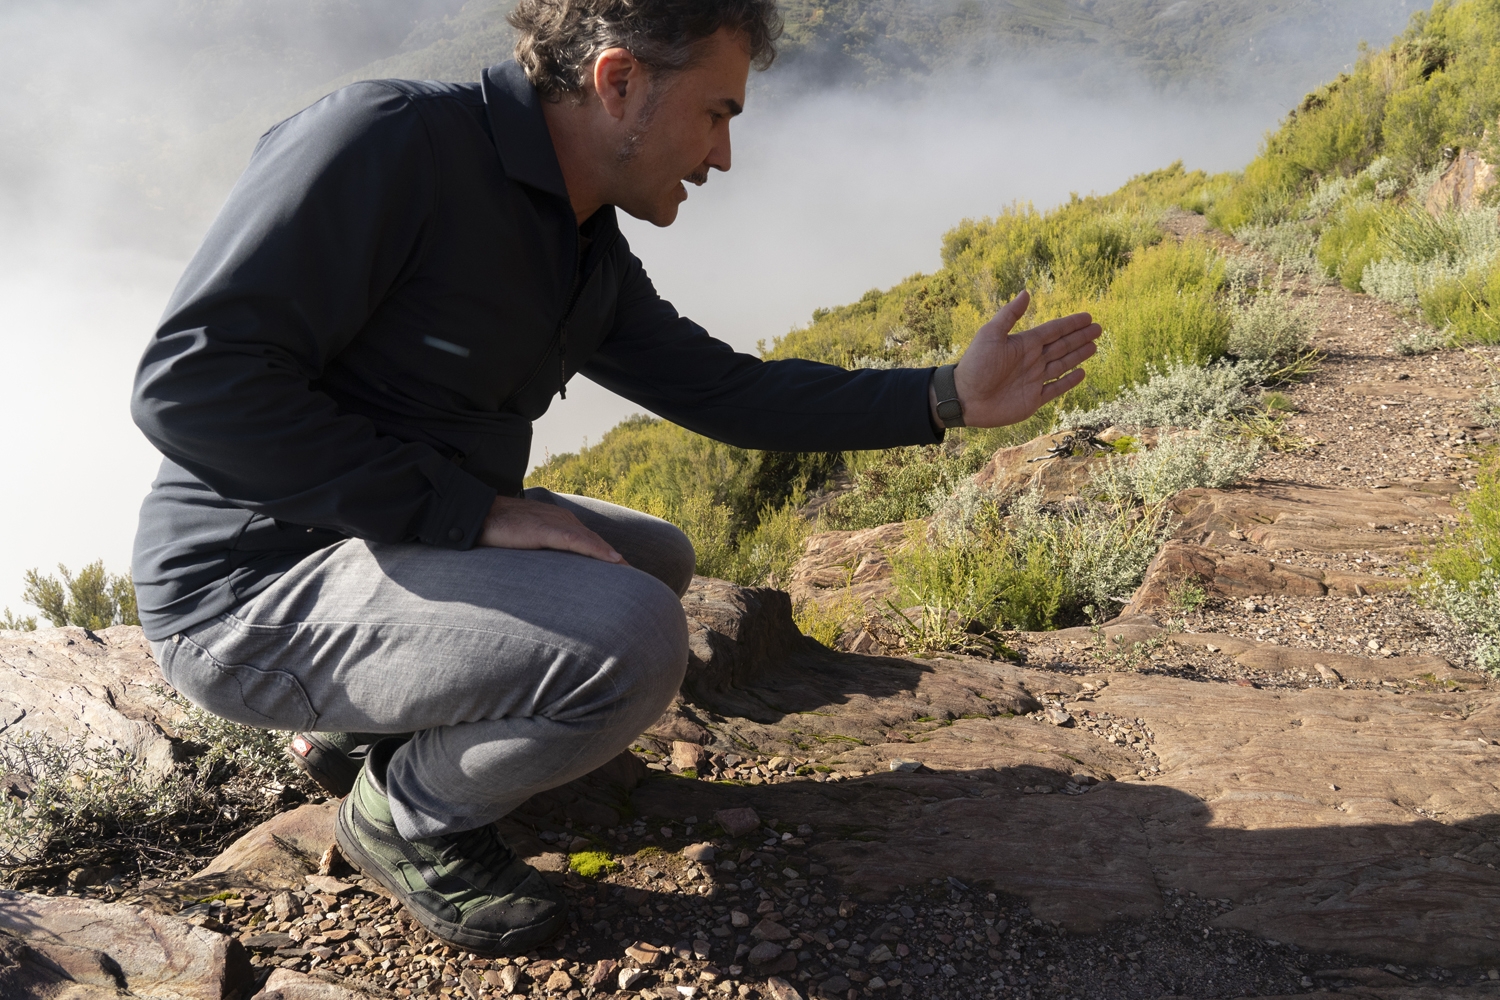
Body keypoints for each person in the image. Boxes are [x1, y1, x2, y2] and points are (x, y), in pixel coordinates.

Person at [129, 0, 1101, 957]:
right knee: (634, 636)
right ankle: (405, 813)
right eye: (717, 114)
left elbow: (727, 393)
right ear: (618, 80)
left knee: (651, 557)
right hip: (247, 592)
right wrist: (472, 512)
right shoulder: (389, 141)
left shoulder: (579, 241)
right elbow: (191, 387)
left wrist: (944, 397)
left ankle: (365, 724)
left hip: (375, 551)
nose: (722, 156)